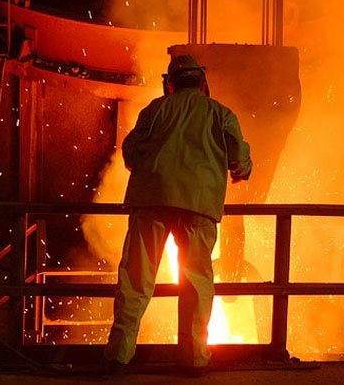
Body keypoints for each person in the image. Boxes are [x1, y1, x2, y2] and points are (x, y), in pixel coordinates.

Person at [103, 55, 252, 376]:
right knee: (196, 281)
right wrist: (241, 169)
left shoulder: (154, 110)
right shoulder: (221, 113)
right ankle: (194, 359)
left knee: (135, 279)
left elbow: (131, 152)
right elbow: (239, 159)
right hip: (198, 205)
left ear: (169, 83)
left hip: (151, 200)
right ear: (203, 83)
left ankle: (118, 355)